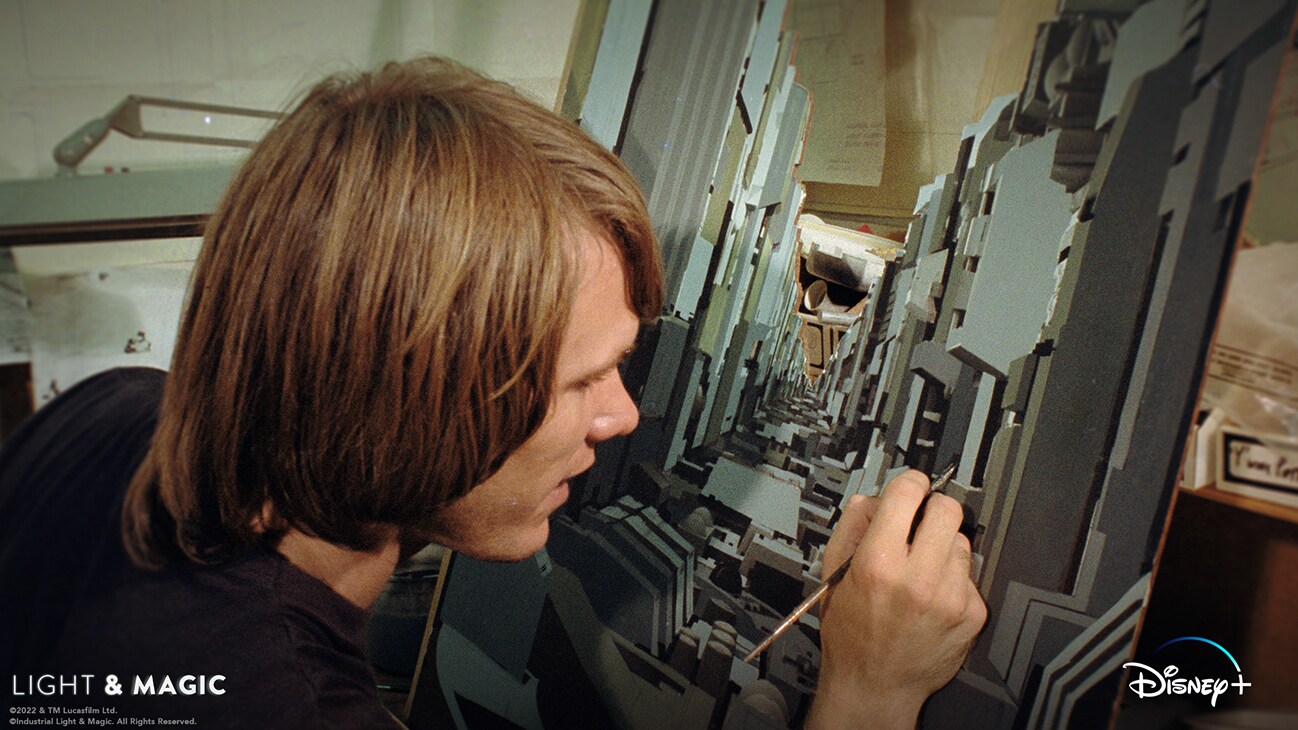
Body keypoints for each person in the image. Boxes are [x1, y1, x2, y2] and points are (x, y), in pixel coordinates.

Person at [0, 57, 984, 728]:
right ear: (407, 396)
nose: (623, 416)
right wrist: (865, 694)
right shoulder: (280, 701)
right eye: (580, 380)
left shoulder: (118, 408)